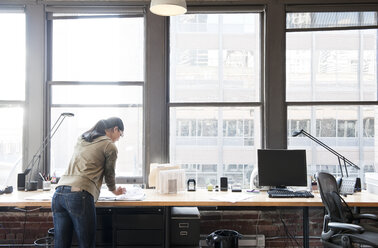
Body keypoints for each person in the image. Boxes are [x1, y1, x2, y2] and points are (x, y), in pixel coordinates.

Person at [52, 117, 126, 248]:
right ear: (115, 129)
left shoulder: (82, 139)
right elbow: (109, 174)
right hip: (79, 195)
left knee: (61, 245)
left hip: (58, 194)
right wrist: (114, 190)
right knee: (87, 244)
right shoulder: (110, 145)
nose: (119, 138)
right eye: (120, 134)